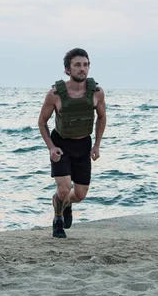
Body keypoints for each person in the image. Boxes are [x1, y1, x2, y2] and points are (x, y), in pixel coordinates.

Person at [37, 48, 107, 238]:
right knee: (64, 188)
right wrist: (51, 147)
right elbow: (42, 122)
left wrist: (97, 145)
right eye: (77, 65)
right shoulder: (55, 94)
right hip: (61, 145)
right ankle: (58, 219)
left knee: (80, 194)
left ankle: (64, 203)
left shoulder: (97, 93)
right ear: (68, 70)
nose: (82, 69)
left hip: (83, 145)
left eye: (85, 65)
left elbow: (101, 118)